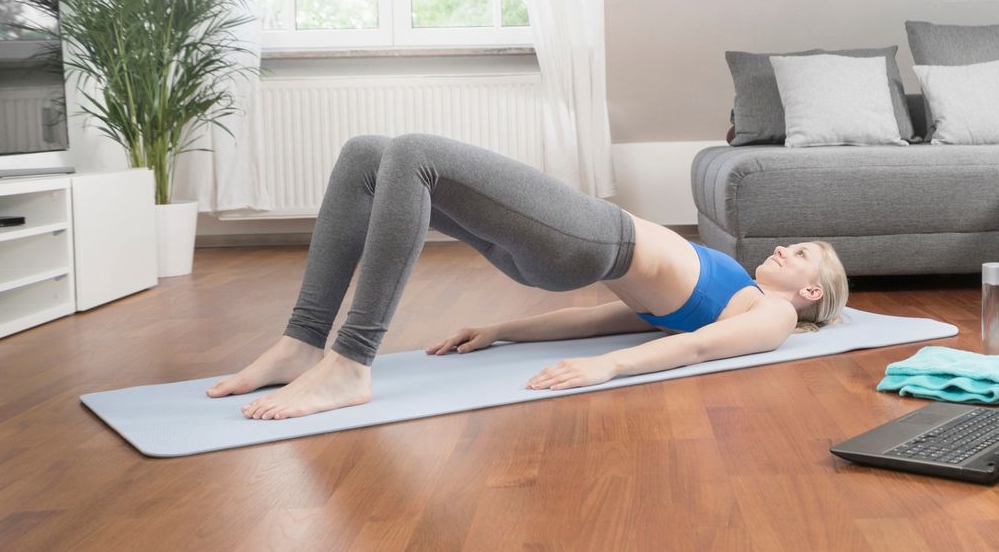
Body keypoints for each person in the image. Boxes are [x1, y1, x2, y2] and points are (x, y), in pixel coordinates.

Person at [206, 134, 849, 420]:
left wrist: (610, 368)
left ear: (812, 292)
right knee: (368, 154)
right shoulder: (731, 295)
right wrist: (502, 330)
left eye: (803, 256)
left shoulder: (776, 313)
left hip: (592, 238)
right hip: (557, 255)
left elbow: (699, 348)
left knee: (414, 152)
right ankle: (302, 342)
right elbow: (606, 317)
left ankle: (350, 362)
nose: (788, 250)